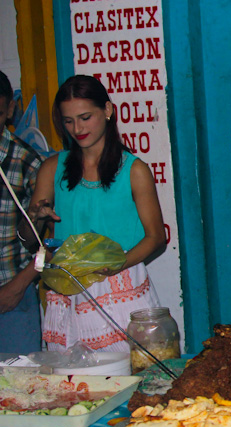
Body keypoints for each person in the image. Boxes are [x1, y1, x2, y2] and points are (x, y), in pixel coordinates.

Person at [19, 75, 166, 353]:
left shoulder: (134, 170)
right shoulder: (52, 168)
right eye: (68, 121)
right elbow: (30, 241)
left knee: (132, 380)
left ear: (108, 111)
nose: (77, 128)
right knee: (72, 386)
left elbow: (156, 238)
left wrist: (118, 265)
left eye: (85, 117)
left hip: (122, 289)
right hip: (67, 291)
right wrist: (35, 218)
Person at [0, 70, 43, 353]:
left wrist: (22, 282)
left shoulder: (26, 161)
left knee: (22, 387)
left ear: (10, 109)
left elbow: (48, 245)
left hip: (13, 295)